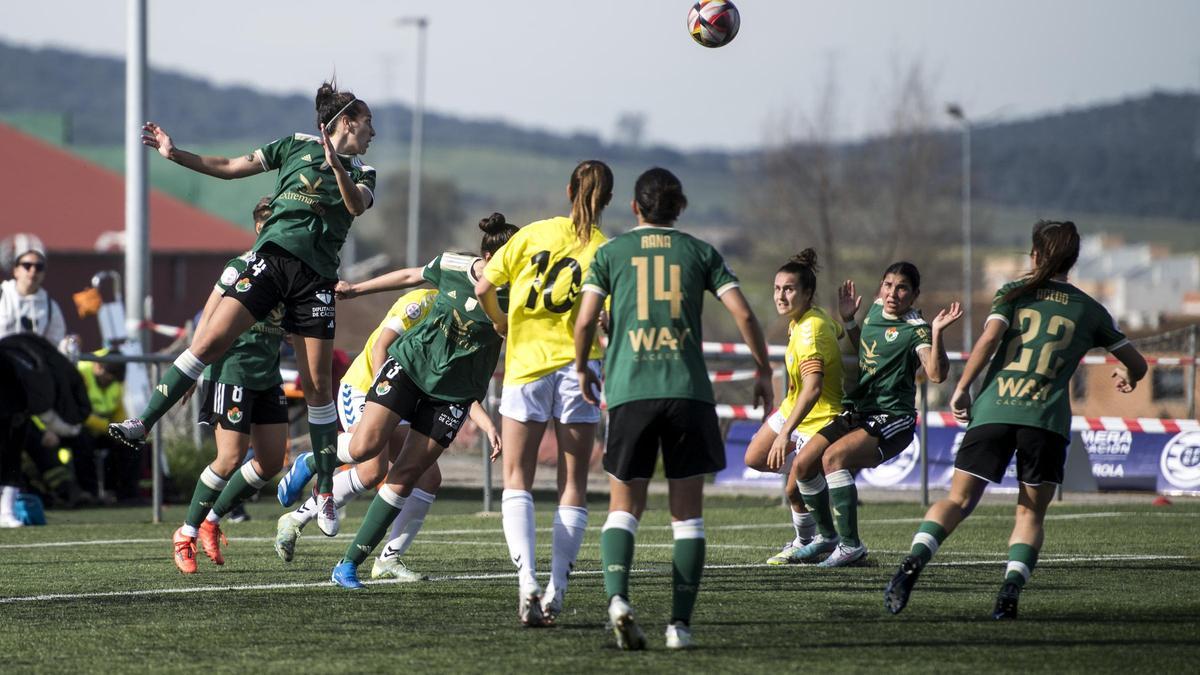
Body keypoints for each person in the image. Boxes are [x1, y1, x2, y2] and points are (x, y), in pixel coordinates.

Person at [109, 80, 377, 538]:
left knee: (317, 385)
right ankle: (143, 422)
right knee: (210, 340)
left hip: (315, 281)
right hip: (272, 262)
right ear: (347, 121)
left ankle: (326, 493)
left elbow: (355, 205)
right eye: (369, 122)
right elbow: (232, 166)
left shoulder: (364, 172)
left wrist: (338, 170)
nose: (374, 132)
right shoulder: (294, 145)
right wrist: (175, 154)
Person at [884, 221, 1147, 620]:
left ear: (1035, 256)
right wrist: (1129, 374)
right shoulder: (1090, 310)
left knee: (957, 500)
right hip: (1045, 420)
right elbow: (1138, 364)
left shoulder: (1013, 292)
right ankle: (1008, 594)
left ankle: (913, 563)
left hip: (994, 411)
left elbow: (989, 340)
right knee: (1029, 514)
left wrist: (963, 387)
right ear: (1072, 261)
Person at [575, 167, 774, 650]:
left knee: (624, 508)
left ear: (635, 208)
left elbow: (584, 322)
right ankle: (679, 627)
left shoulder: (610, 253)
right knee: (688, 517)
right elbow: (744, 313)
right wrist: (764, 370)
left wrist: (583, 367)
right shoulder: (700, 251)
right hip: (688, 393)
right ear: (679, 208)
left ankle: (619, 601)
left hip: (630, 391)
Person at [329, 214, 516, 590]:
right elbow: (409, 276)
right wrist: (356, 289)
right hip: (410, 367)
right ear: (488, 256)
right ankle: (311, 461)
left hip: (453, 395)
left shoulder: (517, 295)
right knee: (365, 447)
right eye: (507, 260)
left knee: (409, 475)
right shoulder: (455, 266)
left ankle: (349, 564)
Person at [473, 160, 613, 627]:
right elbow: (605, 319)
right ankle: (556, 588)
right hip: (580, 368)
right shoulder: (605, 249)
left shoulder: (532, 234)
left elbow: (483, 285)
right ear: (608, 200)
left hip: (527, 366)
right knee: (572, 484)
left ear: (568, 189)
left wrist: (501, 321)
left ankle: (526, 580)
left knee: (517, 478)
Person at [274, 286, 459, 583]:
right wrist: (380, 399)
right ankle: (313, 460)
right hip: (365, 388)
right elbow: (380, 347)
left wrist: (486, 423)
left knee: (422, 477)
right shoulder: (423, 300)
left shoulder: (466, 318)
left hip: (403, 398)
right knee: (368, 456)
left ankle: (386, 557)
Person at [787, 263, 961, 568]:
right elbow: (870, 349)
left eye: (902, 287)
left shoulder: (916, 329)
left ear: (915, 294)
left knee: (833, 458)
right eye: (888, 285)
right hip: (860, 410)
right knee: (803, 464)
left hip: (893, 416)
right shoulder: (877, 309)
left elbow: (935, 374)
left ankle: (851, 546)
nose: (893, 293)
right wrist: (850, 322)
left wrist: (936, 332)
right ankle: (828, 538)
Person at [168, 198, 290, 574]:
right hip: (232, 370)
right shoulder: (239, 268)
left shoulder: (291, 273)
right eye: (275, 224)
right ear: (259, 228)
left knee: (270, 462)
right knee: (229, 458)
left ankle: (212, 519)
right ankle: (185, 534)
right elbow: (207, 319)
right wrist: (190, 368)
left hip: (267, 375)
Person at [740, 249, 846, 565]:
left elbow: (813, 388)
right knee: (754, 457)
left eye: (789, 289)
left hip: (818, 417)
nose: (781, 295)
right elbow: (837, 332)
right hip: (792, 407)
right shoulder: (804, 321)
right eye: (777, 288)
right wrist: (846, 321)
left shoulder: (810, 329)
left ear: (807, 293)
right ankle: (815, 481)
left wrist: (785, 433)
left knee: (793, 491)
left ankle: (808, 541)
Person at [0, 235, 66, 346]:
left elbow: (55, 344)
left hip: (31, 361)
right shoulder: (3, 296)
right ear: (16, 271)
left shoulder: (50, 307)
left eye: (39, 267)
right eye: (27, 266)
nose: (33, 271)